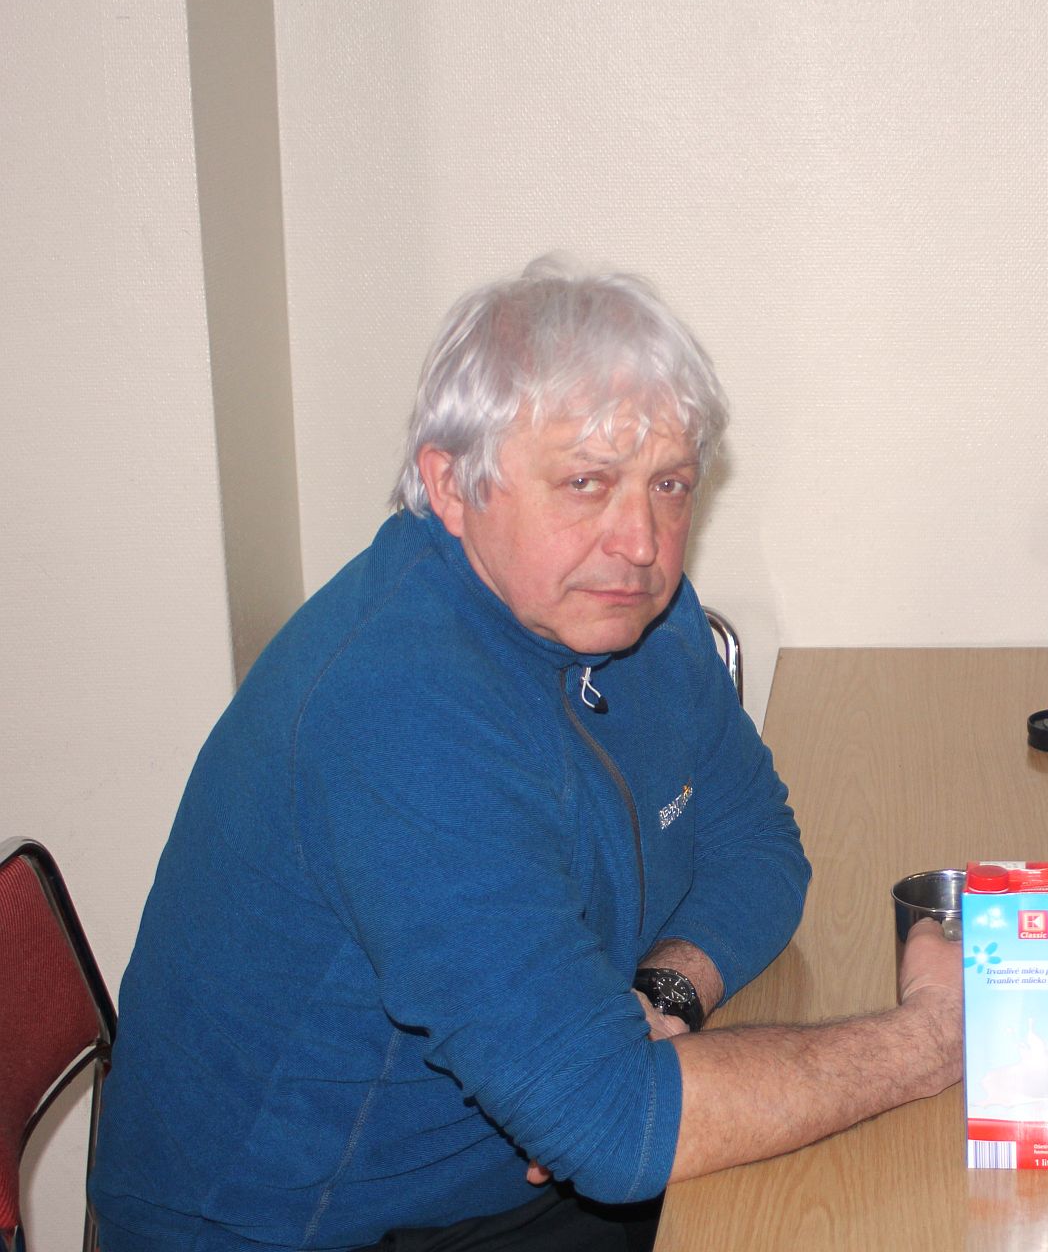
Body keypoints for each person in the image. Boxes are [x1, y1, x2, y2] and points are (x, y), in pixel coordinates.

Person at [90, 257, 963, 1250]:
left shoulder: (631, 611)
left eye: (669, 484)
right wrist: (934, 1037)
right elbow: (616, 1128)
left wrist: (662, 996)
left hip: (525, 1166)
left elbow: (758, 848)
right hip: (313, 1227)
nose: (640, 540)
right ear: (451, 486)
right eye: (586, 483)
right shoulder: (402, 709)